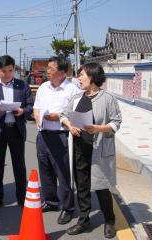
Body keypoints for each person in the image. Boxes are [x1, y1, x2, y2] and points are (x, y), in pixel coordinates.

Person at [60, 62, 122, 238]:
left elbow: (117, 122)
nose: (79, 78)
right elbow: (64, 115)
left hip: (98, 150)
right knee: (82, 187)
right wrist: (70, 125)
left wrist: (99, 128)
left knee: (102, 187)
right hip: (79, 149)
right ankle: (84, 221)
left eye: (82, 75)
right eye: (79, 75)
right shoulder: (77, 98)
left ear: (92, 77)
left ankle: (109, 220)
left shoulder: (107, 98)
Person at [33, 55, 79, 225]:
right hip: (43, 134)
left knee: (63, 172)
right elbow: (37, 108)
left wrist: (56, 117)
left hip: (61, 135)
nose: (47, 72)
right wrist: (38, 116)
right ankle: (51, 201)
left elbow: (75, 114)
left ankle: (68, 208)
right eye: (48, 68)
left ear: (61, 72)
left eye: (51, 69)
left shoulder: (72, 90)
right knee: (45, 171)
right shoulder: (43, 87)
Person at [0, 55, 34, 212]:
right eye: (4, 71)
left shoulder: (22, 85)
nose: (8, 74)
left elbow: (30, 105)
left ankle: (21, 197)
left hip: (16, 128)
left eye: (11, 71)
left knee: (19, 165)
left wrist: (23, 111)